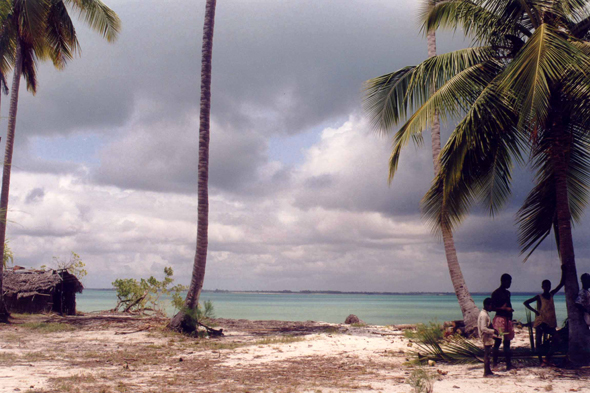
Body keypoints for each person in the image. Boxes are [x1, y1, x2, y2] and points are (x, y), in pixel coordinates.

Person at [523, 268, 564, 365]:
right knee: (538, 341)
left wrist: (563, 271)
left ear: (550, 287)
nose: (547, 287)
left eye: (548, 285)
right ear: (542, 287)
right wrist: (535, 311)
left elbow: (561, 284)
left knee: (556, 338)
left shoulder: (551, 295)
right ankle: (541, 360)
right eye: (545, 286)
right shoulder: (539, 297)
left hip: (550, 322)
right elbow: (526, 303)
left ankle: (547, 358)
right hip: (541, 322)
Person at [491, 273, 515, 370]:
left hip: (507, 319)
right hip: (500, 320)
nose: (510, 283)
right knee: (498, 341)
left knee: (507, 342)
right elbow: (492, 307)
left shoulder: (507, 293)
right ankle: (494, 363)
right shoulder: (496, 293)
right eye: (508, 281)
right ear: (503, 281)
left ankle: (508, 364)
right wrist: (504, 309)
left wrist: (509, 311)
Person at [478, 298, 497, 377]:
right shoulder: (484, 315)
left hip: (487, 336)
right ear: (487, 305)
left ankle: (488, 371)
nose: (492, 308)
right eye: (491, 306)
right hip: (485, 337)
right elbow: (483, 328)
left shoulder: (484, 313)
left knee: (488, 354)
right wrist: (493, 331)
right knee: (487, 354)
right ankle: (486, 372)